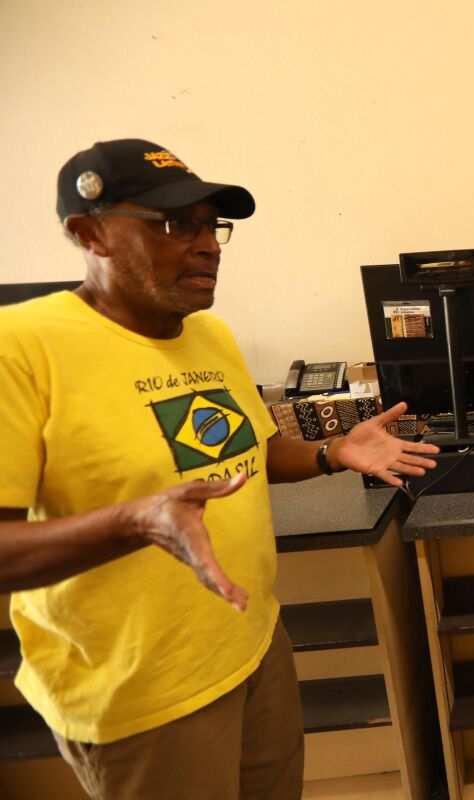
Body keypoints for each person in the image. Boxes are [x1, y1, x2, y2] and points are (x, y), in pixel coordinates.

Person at [0, 139, 441, 800]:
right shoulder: (21, 347)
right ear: (87, 232)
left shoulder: (209, 334)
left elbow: (251, 453)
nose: (207, 245)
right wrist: (138, 522)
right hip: (141, 694)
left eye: (212, 225)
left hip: (255, 647)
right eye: (175, 224)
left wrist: (332, 452)